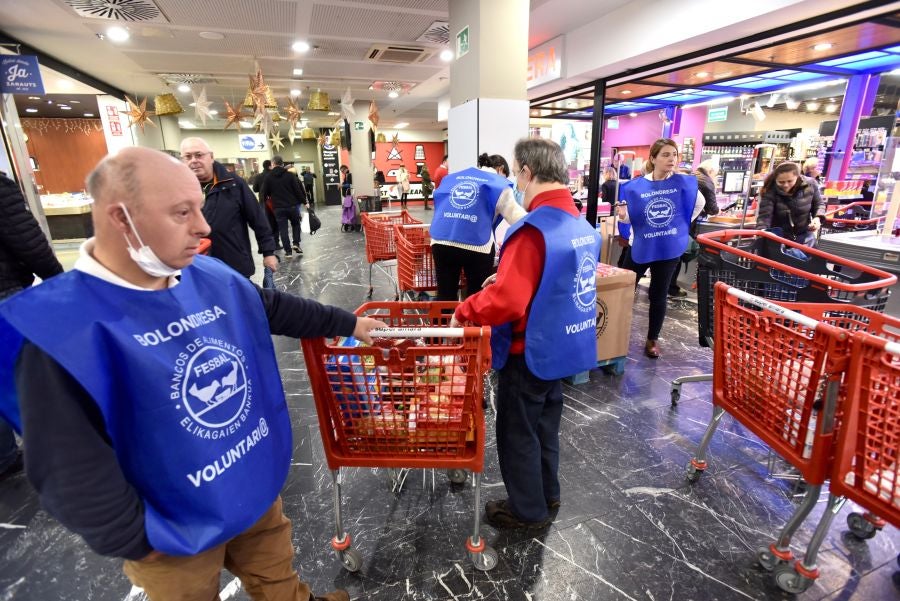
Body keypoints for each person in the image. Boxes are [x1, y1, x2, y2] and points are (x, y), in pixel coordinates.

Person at [0, 147, 385, 601]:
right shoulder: (60, 330)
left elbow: (275, 309)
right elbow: (70, 467)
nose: (202, 227)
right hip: (171, 530)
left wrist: (350, 323)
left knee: (279, 579)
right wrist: (137, 543)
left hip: (249, 487)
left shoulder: (209, 275)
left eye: (199, 208)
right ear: (121, 219)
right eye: (182, 212)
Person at [450, 138, 601, 530]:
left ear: (527, 173)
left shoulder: (531, 232)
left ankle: (527, 510)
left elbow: (510, 303)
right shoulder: (582, 226)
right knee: (545, 427)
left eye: (517, 172)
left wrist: (465, 309)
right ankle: (547, 493)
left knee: (518, 434)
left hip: (527, 352)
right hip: (563, 348)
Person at [0, 174, 65, 482]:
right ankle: (59, 457)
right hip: (4, 296)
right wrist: (58, 281)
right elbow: (26, 238)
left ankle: (3, 457)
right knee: (26, 381)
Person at [618, 138, 706, 359]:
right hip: (640, 246)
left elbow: (699, 203)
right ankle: (616, 333)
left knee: (659, 294)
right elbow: (630, 217)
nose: (671, 159)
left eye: (674, 155)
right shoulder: (637, 186)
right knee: (625, 292)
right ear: (653, 158)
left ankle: (652, 338)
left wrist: (681, 223)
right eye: (666, 155)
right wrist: (623, 215)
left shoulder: (682, 183)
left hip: (667, 248)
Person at [430, 154, 526, 302]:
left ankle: (444, 324)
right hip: (476, 245)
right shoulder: (498, 184)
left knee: (445, 296)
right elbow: (518, 218)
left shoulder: (453, 178)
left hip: (440, 241)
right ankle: (472, 323)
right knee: (476, 296)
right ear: (500, 169)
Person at [179, 137, 277, 281]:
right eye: (188, 156)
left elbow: (257, 219)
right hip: (195, 268)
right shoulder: (176, 189)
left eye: (199, 155)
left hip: (234, 264)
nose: (193, 160)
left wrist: (268, 252)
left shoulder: (234, 184)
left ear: (211, 157)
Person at [668, 159, 721, 298]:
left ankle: (668, 287)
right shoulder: (706, 182)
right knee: (676, 258)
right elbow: (712, 209)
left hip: (674, 225)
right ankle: (671, 287)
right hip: (685, 227)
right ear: (710, 172)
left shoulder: (692, 177)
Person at [756, 161, 825, 246]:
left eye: (790, 181)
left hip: (804, 236)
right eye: (781, 182)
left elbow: (819, 204)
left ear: (798, 177)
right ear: (775, 179)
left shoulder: (810, 184)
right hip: (778, 238)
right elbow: (765, 216)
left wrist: (817, 218)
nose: (785, 185)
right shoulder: (770, 190)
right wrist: (763, 231)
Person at [260, 156, 307, 258]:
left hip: (278, 208)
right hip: (292, 206)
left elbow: (264, 193)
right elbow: (297, 191)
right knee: (296, 224)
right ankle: (296, 243)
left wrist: (263, 204)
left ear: (273, 164)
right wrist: (304, 202)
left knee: (283, 229)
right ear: (282, 164)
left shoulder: (268, 177)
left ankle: (288, 252)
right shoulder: (290, 175)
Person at [252, 160, 280, 251]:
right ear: (269, 166)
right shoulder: (274, 175)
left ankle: (268, 245)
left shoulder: (259, 176)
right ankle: (276, 243)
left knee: (266, 223)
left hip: (263, 202)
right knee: (275, 222)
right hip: (274, 201)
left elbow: (255, 189)